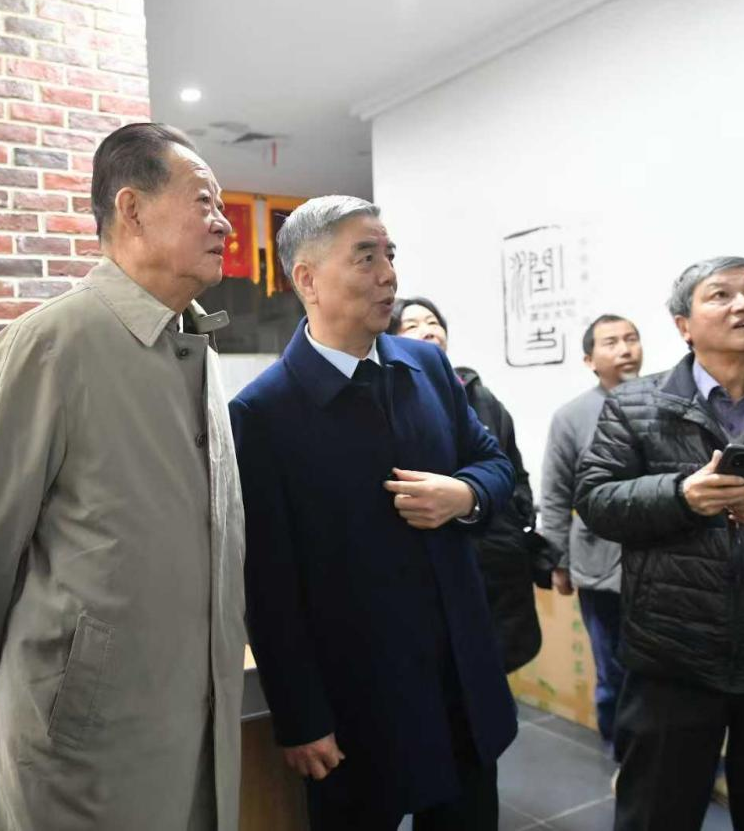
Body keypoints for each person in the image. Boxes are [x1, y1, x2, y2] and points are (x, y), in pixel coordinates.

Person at [0, 122, 246, 831]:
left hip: (193, 721)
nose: (224, 223)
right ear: (132, 210)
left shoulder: (198, 352)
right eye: (204, 201)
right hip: (83, 743)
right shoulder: (48, 345)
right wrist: (51, 666)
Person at [232, 196, 517, 831]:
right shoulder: (263, 412)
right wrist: (302, 718)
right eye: (366, 258)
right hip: (359, 699)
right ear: (307, 279)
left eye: (390, 255)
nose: (389, 274)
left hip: (458, 682)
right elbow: (269, 585)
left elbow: (495, 464)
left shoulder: (428, 366)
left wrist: (464, 495)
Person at [575, 256, 744, 831]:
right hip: (673, 652)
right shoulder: (635, 405)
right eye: (721, 294)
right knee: (655, 815)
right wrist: (680, 496)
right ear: (683, 325)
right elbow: (595, 500)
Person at [392, 296, 557, 673]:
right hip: (434, 562)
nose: (427, 331)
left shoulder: (478, 394)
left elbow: (512, 468)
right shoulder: (391, 398)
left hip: (497, 559)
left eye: (433, 322)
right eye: (411, 325)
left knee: (498, 665)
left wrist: (516, 522)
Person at [541, 314, 642, 755]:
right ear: (589, 359)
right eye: (611, 342)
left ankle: (664, 758)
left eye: (631, 339)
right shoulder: (571, 417)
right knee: (613, 667)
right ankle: (622, 753)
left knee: (666, 670)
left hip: (661, 563)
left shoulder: (663, 402)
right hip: (600, 566)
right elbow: (555, 494)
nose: (625, 349)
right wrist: (558, 562)